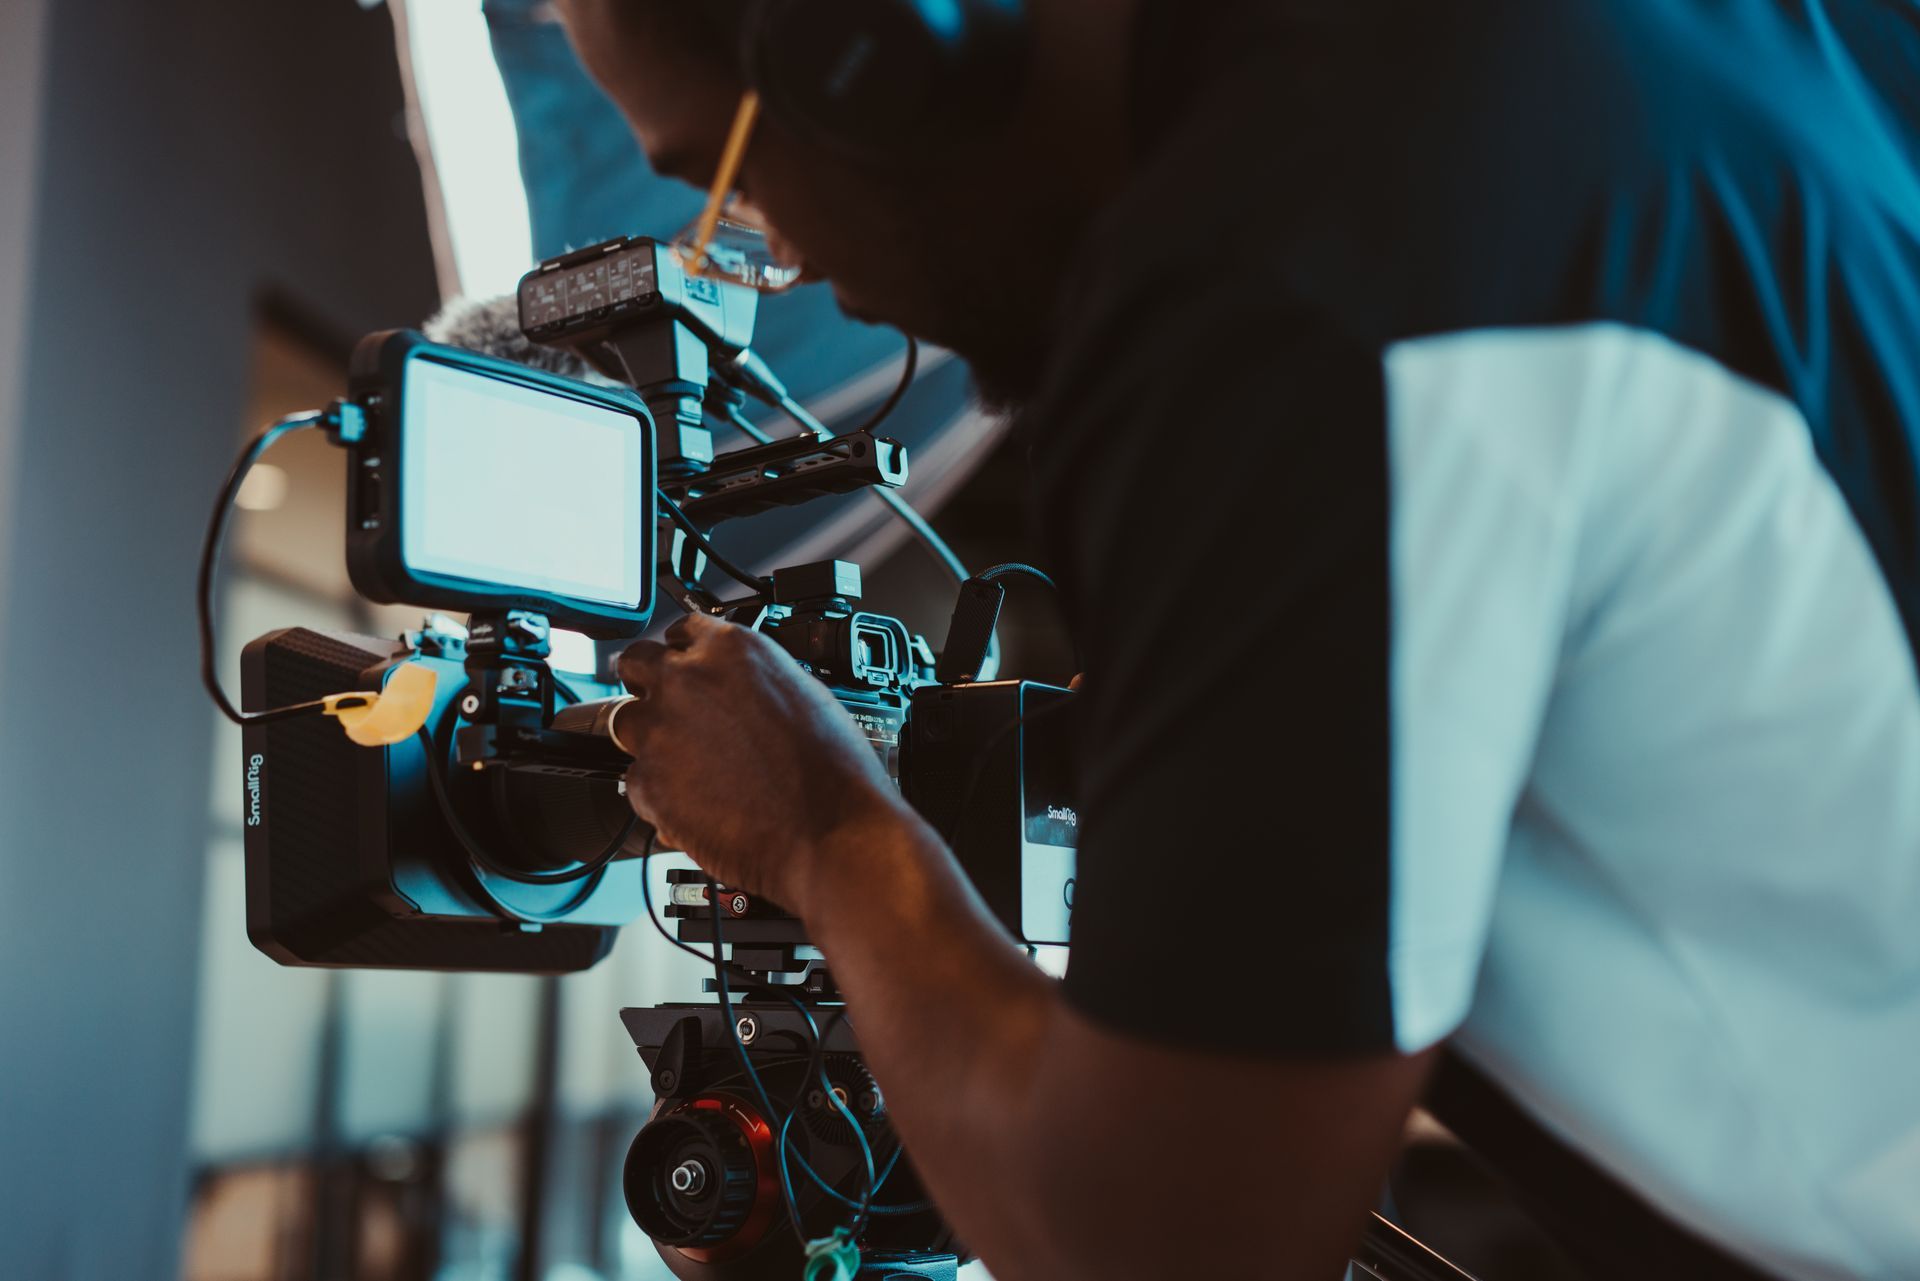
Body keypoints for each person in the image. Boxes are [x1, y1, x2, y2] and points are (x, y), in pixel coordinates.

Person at [565, 2, 1920, 1277]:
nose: (793, 263)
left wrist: (825, 829)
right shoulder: (1661, 58)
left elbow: (1170, 1239)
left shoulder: (1287, 291)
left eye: (731, 181)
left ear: (859, 44)